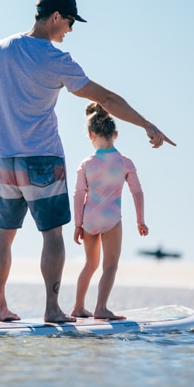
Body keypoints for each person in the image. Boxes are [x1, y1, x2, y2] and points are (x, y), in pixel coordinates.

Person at [0, 0, 175, 323]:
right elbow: (105, 97)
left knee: (3, 236)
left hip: (5, 160)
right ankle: (52, 309)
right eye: (70, 22)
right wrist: (147, 123)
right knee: (52, 236)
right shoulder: (56, 59)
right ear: (55, 17)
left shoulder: (0, 48)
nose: (70, 30)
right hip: (43, 161)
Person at [71, 103, 148, 320]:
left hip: (89, 219)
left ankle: (78, 307)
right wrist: (140, 220)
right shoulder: (125, 162)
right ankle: (101, 308)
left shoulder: (86, 164)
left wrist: (77, 224)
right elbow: (137, 192)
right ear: (115, 134)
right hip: (112, 218)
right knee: (110, 265)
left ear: (90, 135)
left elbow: (78, 195)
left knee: (90, 264)